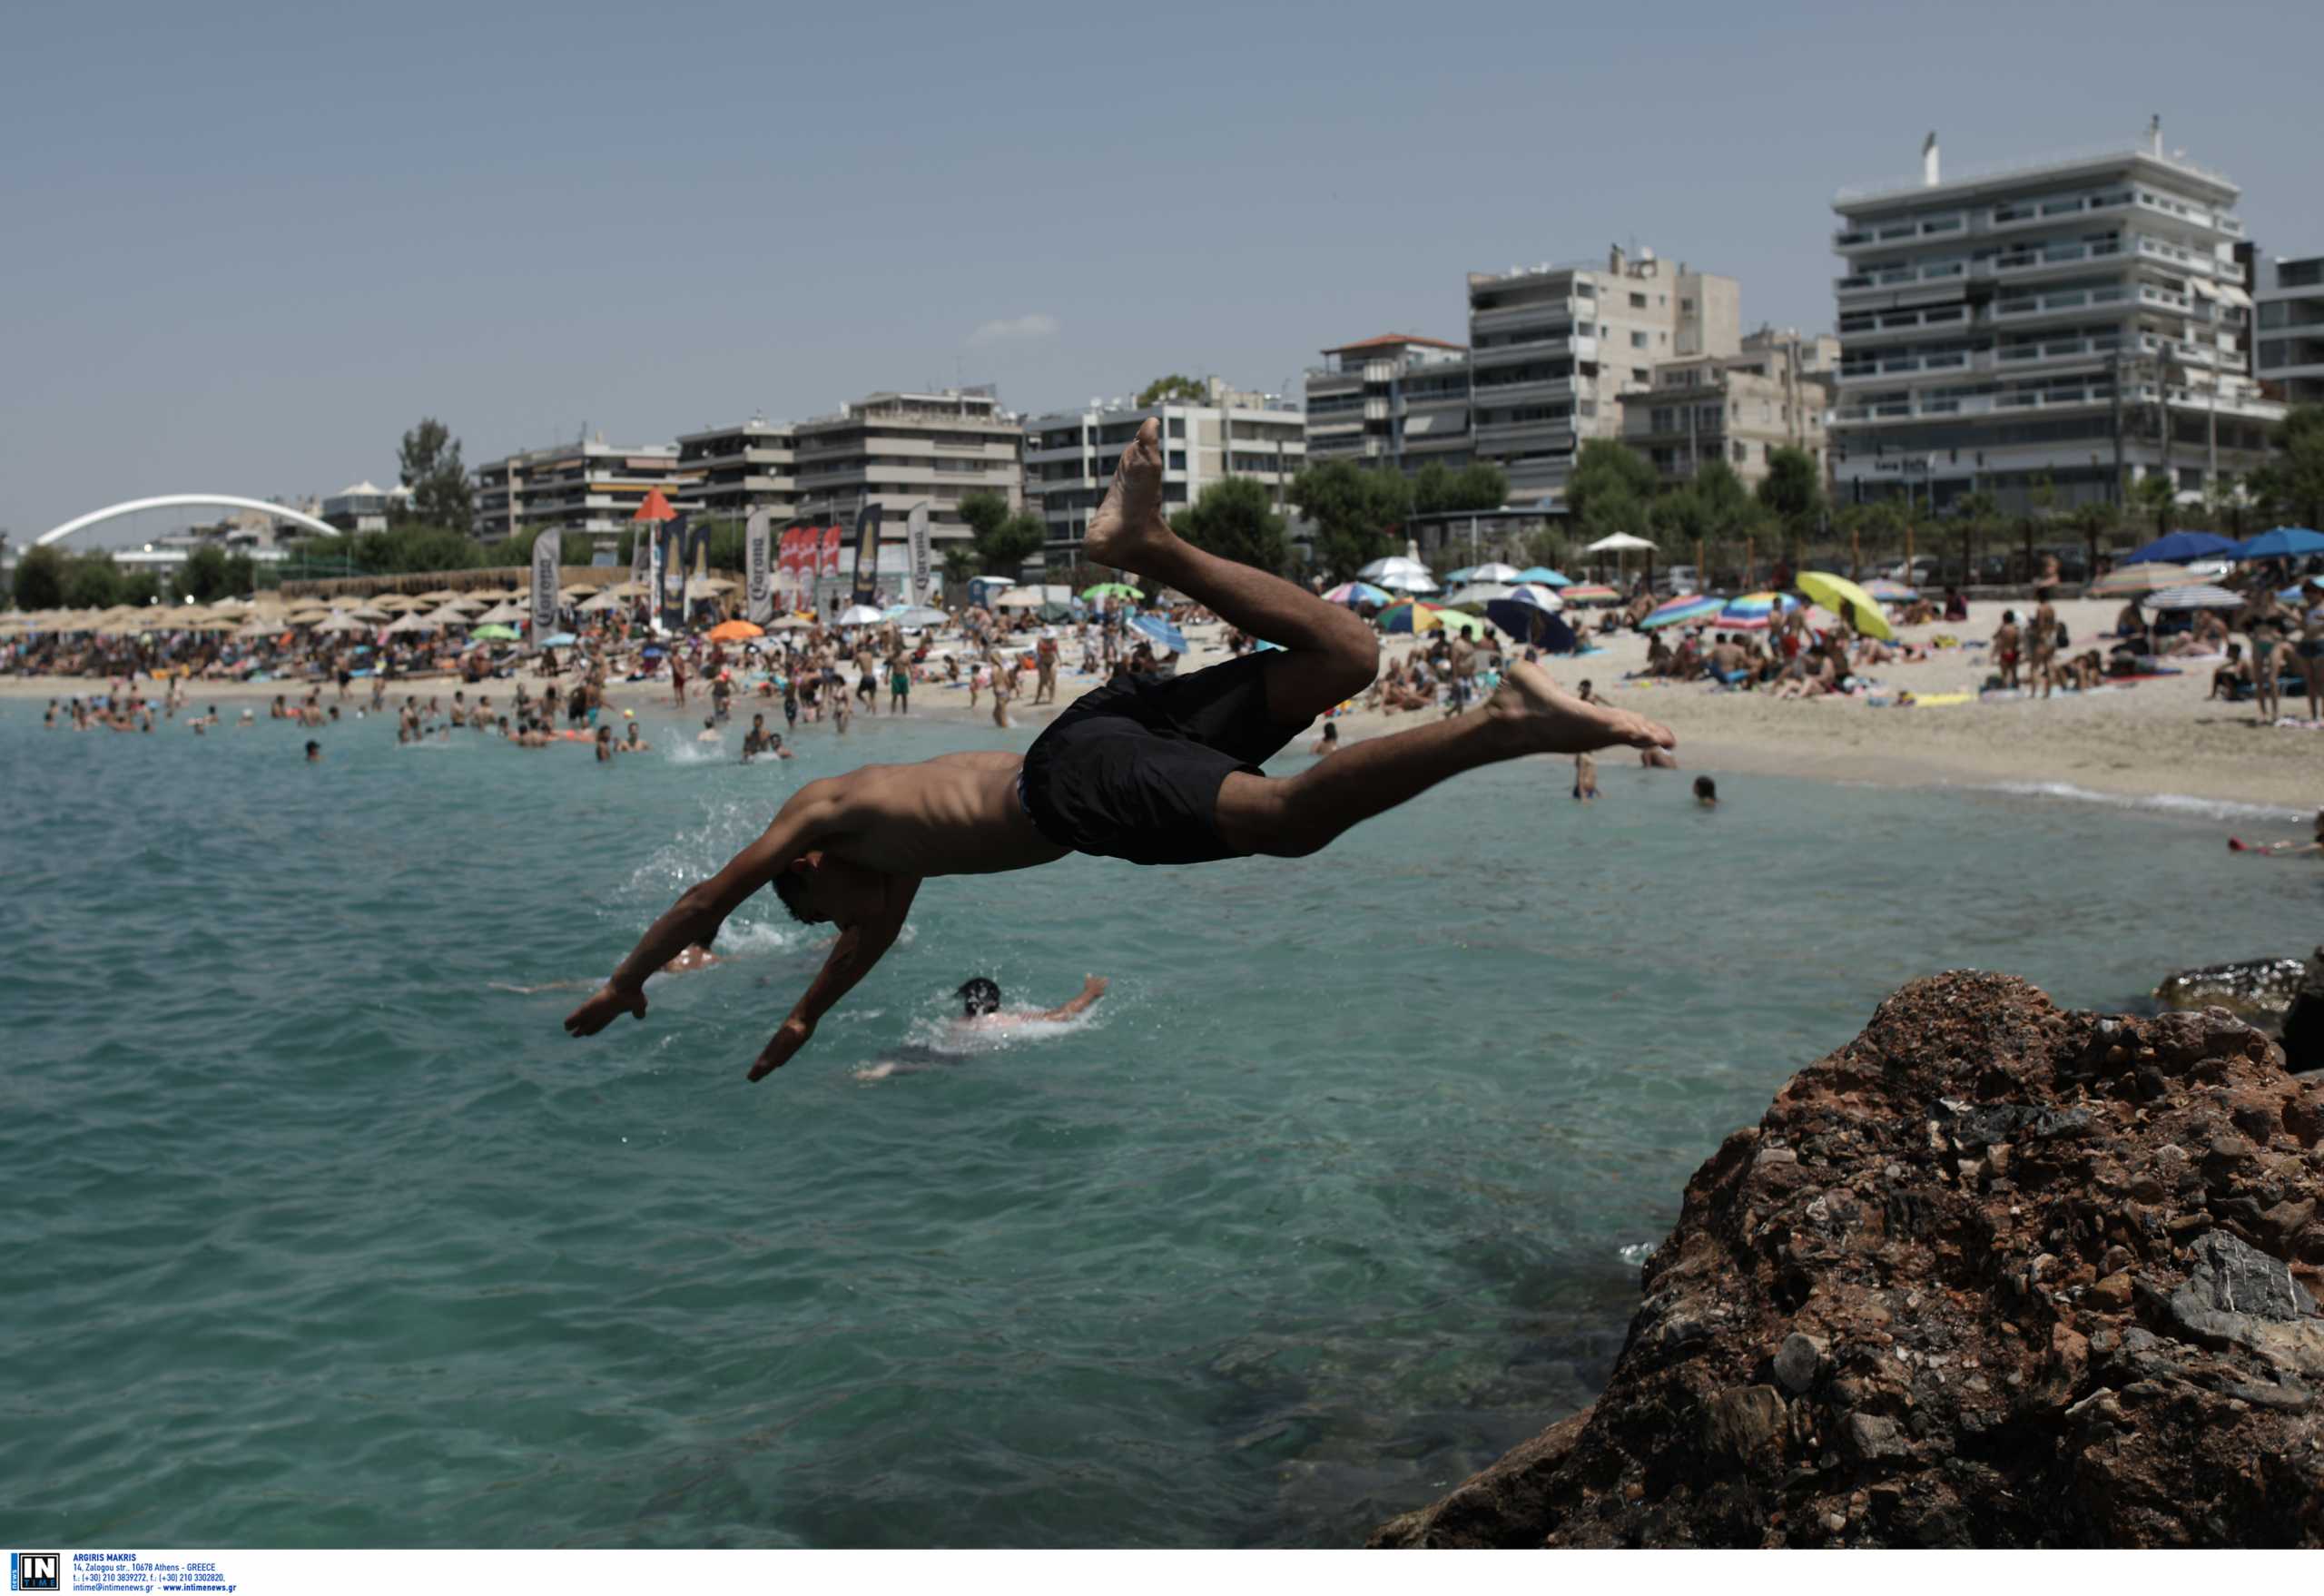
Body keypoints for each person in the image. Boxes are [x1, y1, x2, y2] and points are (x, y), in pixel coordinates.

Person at [566, 418, 1674, 1078]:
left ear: (810, 869)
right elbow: (858, 950)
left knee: (1287, 825)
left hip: (1072, 786)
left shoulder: (825, 815)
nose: (845, 919)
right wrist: (805, 1013)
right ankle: (1143, 543)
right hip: (1098, 728)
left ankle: (1502, 726)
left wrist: (627, 980)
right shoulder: (891, 870)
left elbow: (710, 899)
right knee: (1345, 650)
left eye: (821, 907)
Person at [954, 973, 1108, 1030]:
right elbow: (1061, 1015)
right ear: (996, 1001)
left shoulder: (956, 1024)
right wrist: (1090, 992)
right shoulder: (1005, 1022)